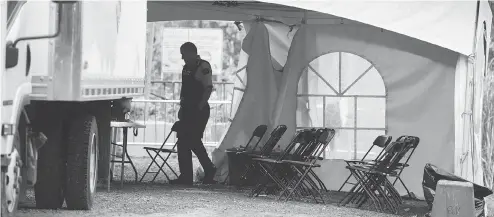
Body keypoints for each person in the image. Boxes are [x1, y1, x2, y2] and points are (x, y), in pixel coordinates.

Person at [170, 42, 217, 185]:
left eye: (183, 54)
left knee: (193, 140)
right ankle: (187, 176)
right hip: (187, 109)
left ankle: (208, 169)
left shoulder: (203, 66)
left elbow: (208, 87)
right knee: (183, 141)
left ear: (191, 52)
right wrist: (182, 108)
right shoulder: (186, 68)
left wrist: (199, 106)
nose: (182, 57)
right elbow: (185, 90)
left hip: (198, 109)